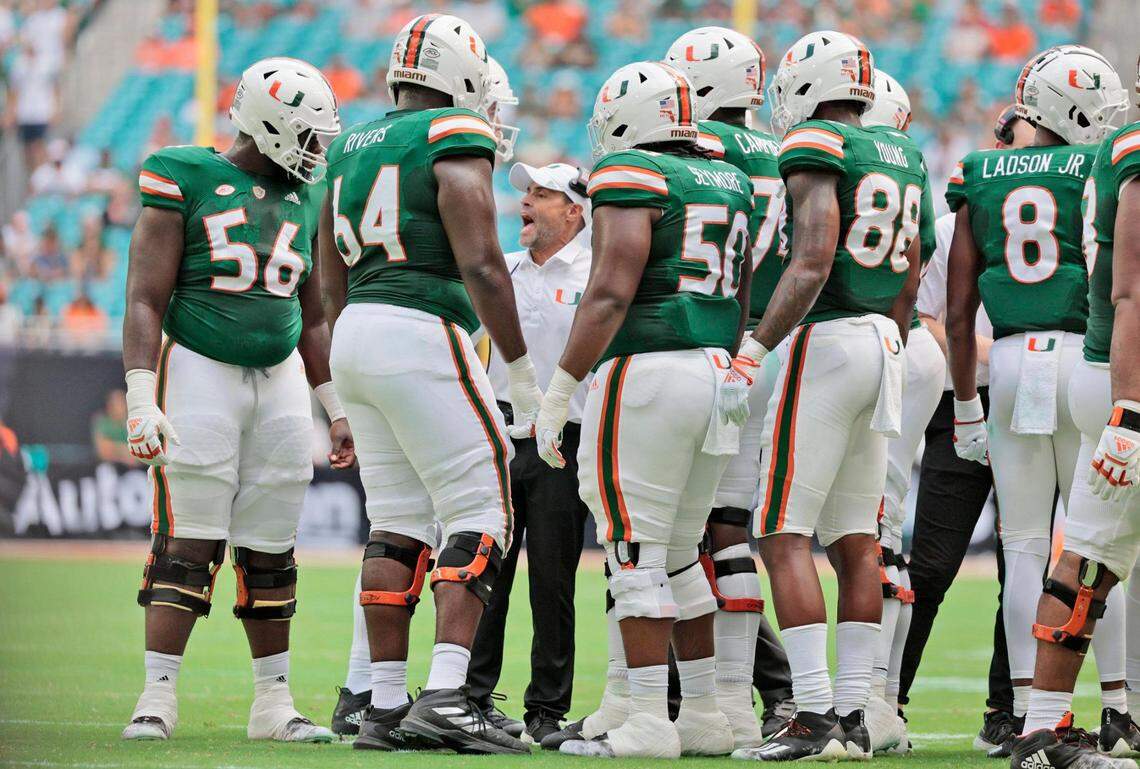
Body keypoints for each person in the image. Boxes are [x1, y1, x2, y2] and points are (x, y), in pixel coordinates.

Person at [318, 14, 542, 756]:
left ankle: (383, 702)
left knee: (397, 520)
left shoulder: (348, 143)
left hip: (356, 331)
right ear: (464, 76)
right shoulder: (452, 133)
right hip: (422, 326)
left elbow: (328, 277)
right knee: (482, 508)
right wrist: (520, 370)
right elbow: (482, 263)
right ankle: (447, 693)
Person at [119, 57, 352, 744]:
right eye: (307, 135)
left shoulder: (307, 196)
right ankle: (156, 695)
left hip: (278, 374)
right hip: (198, 367)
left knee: (273, 545)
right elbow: (142, 296)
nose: (316, 150)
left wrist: (333, 404)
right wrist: (140, 392)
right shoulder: (185, 174)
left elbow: (313, 317)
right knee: (187, 541)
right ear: (270, 125)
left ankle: (273, 702)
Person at [536, 59, 755, 759]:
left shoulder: (636, 175)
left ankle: (650, 725)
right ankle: (699, 713)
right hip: (718, 370)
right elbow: (740, 292)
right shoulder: (732, 179)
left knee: (634, 550)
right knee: (682, 553)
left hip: (652, 369)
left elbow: (609, 290)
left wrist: (562, 386)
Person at [732, 32, 926, 762]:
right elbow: (909, 277)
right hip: (885, 338)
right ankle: (852, 713)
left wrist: (755, 349)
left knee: (782, 532)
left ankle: (811, 714)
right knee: (857, 540)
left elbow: (812, 258)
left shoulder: (819, 140)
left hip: (828, 335)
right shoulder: (902, 151)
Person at [945, 45, 1130, 758]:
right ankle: (1115, 704)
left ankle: (1027, 710)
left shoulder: (981, 169)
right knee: (1095, 544)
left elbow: (959, 310)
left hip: (1015, 360)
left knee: (1024, 547)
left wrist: (965, 402)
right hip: (1088, 359)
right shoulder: (1103, 163)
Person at [1010, 62, 1140, 769]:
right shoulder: (1133, 152)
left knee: (1083, 560)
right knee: (1086, 561)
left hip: (1109, 376)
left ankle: (1039, 729)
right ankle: (1039, 731)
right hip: (1126, 377)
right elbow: (1132, 291)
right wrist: (1129, 409)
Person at [668, 25, 796, 746]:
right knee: (731, 526)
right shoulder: (783, 153)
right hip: (771, 341)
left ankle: (697, 700)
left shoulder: (698, 152)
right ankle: (741, 703)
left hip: (707, 340)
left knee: (677, 531)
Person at [899, 103, 1024, 753]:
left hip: (1033, 400)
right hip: (963, 400)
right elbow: (920, 315)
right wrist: (982, 356)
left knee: (1024, 563)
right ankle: (887, 697)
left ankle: (1009, 709)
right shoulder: (954, 227)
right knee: (932, 564)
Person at [465, 162, 592, 745]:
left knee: (552, 579)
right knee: (484, 571)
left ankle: (546, 711)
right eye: (526, 193)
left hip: (565, 440)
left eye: (543, 194)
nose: (528, 202)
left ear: (574, 211)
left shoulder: (597, 272)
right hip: (497, 432)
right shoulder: (503, 271)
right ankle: (471, 697)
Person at [857, 68, 941, 755]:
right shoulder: (913, 167)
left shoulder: (849, 159)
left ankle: (871, 701)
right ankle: (880, 699)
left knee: (865, 527)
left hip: (873, 339)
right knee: (882, 525)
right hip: (910, 344)